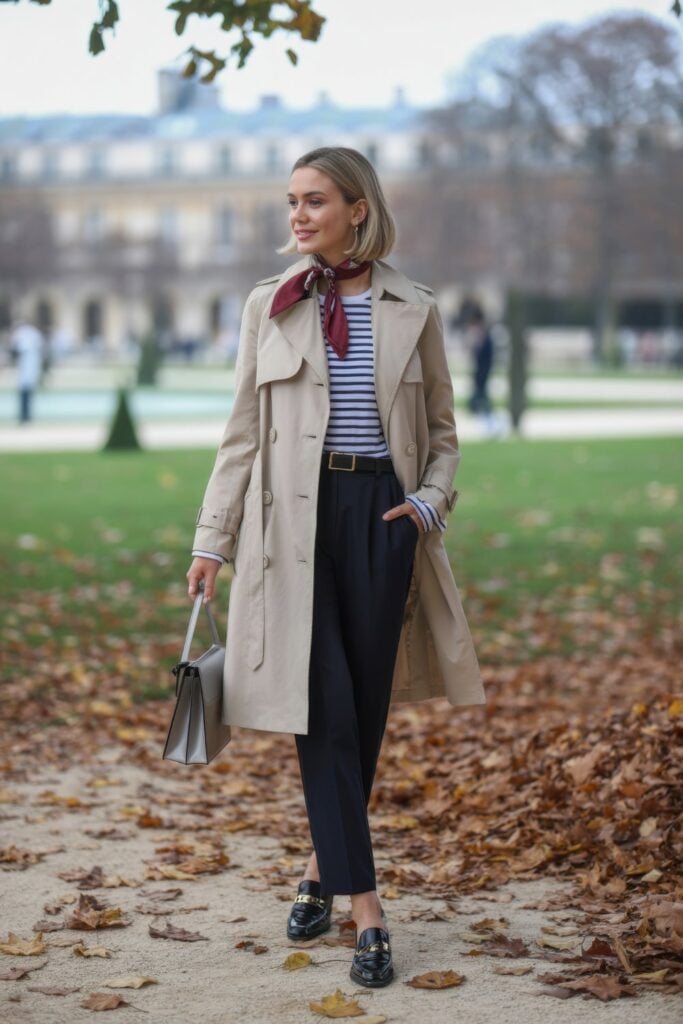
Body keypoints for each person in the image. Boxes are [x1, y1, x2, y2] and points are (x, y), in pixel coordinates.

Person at [185, 146, 485, 989]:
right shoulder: (270, 306)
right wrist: (212, 540)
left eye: (315, 200)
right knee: (321, 709)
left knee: (362, 707)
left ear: (359, 207)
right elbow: (240, 434)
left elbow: (443, 431)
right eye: (291, 202)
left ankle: (320, 867)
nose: (298, 216)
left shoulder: (412, 308)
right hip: (289, 528)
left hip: (381, 522)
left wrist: (427, 504)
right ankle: (366, 909)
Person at [10, 316, 44, 424]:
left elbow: (14, 348)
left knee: (25, 393)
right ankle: (26, 417)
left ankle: (24, 417)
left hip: (26, 366)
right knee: (28, 393)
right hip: (31, 366)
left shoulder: (21, 333)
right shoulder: (34, 333)